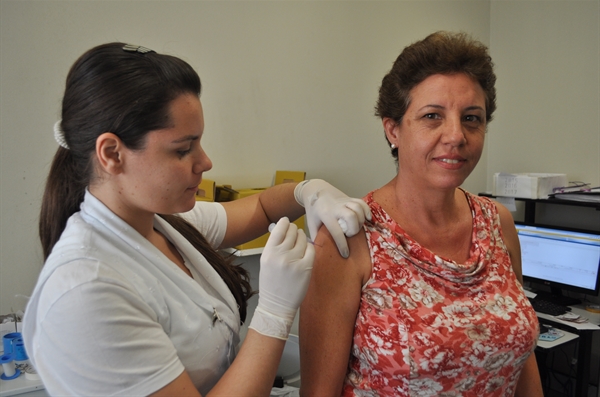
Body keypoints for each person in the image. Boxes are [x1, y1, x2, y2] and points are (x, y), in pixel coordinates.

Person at [22, 42, 371, 396]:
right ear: (112, 153)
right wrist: (275, 312)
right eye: (182, 149)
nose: (204, 162)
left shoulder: (160, 222)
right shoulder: (86, 293)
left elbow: (261, 209)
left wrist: (308, 192)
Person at [299, 31, 543, 396]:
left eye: (472, 118)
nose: (456, 135)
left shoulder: (498, 223)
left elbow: (521, 359)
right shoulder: (349, 237)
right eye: (432, 116)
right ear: (393, 129)